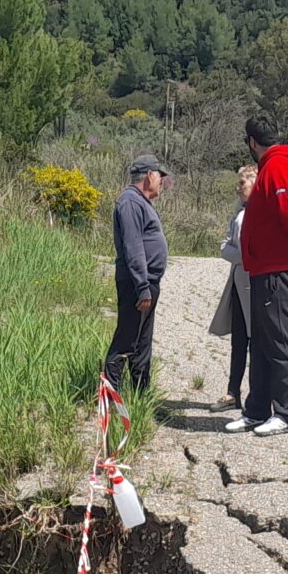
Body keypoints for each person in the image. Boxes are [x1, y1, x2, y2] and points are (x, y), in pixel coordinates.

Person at [230, 114, 288, 436]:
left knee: (280, 342)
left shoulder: (279, 167)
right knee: (262, 343)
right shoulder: (271, 167)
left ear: (253, 142)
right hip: (263, 269)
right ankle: (257, 409)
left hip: (278, 272)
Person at [106, 154, 170, 395]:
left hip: (147, 283)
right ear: (149, 175)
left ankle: (140, 395)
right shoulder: (130, 202)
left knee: (142, 343)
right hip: (136, 284)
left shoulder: (141, 202)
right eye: (160, 176)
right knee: (127, 339)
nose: (162, 181)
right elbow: (134, 247)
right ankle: (111, 395)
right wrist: (142, 286)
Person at [207, 164, 256, 408]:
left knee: (254, 340)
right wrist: (234, 253)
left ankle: (256, 396)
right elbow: (226, 245)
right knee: (239, 339)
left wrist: (234, 254)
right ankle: (232, 392)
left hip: (251, 284)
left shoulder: (256, 214)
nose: (238, 188)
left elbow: (247, 253)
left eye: (242, 183)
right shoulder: (239, 212)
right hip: (238, 283)